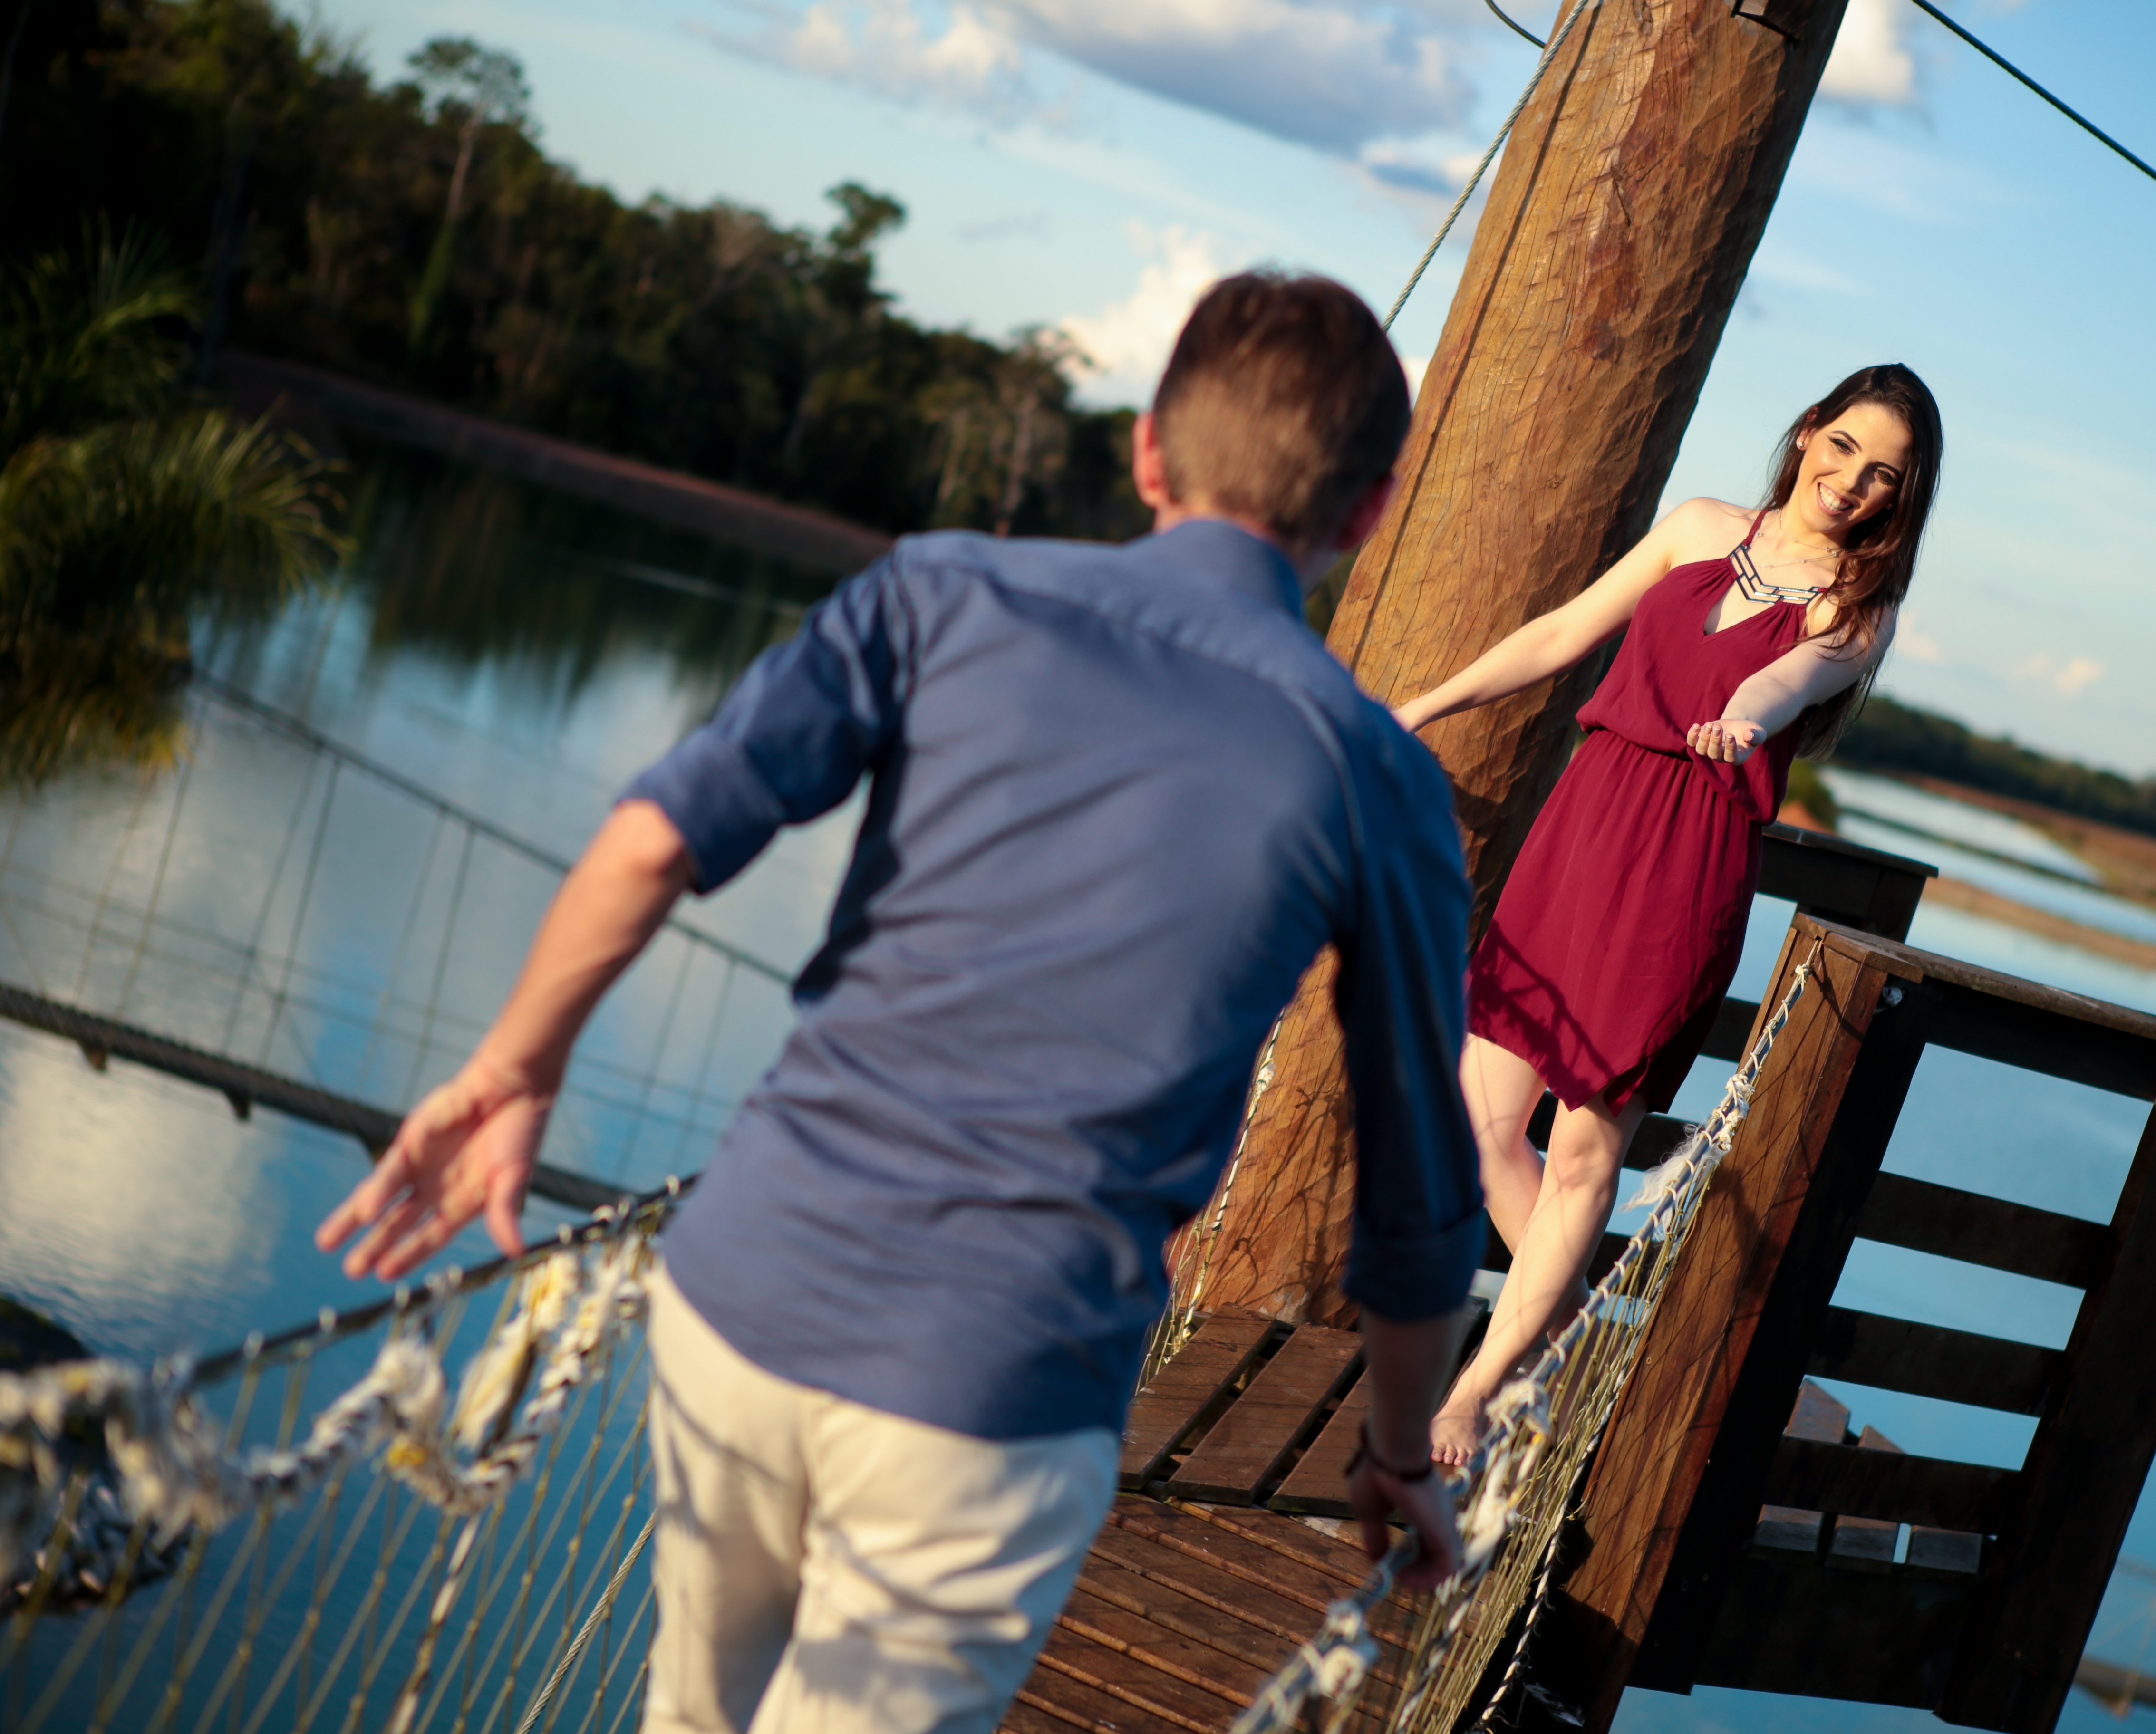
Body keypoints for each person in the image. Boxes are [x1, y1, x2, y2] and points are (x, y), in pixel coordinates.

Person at [315, 273, 1487, 1734]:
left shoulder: (941, 592)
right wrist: (1394, 1453)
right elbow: (1424, 1200)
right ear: (1371, 511)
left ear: (1146, 452)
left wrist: (512, 1063)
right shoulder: (1377, 778)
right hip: (994, 1396)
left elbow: (651, 839)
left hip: (740, 1305)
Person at [1391, 364, 1943, 1463]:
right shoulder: (1697, 526)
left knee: (1590, 1147)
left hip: (1686, 861)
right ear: (1808, 433)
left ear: (1899, 499)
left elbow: (1782, 686)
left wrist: (1741, 719)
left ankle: (1479, 1389)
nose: (1852, 482)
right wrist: (1430, 703)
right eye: (1843, 448)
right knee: (1478, 1116)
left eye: (1883, 476)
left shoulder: (1857, 612)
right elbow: (1564, 632)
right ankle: (1575, 1328)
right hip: (1583, 826)